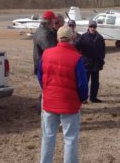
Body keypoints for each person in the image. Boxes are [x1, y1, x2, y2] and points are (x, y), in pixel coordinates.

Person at [37, 25, 88, 163]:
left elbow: (40, 76)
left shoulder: (46, 53)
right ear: (72, 38)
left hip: (50, 102)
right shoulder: (76, 58)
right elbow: (82, 84)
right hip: (69, 104)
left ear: (58, 38)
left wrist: (47, 90)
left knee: (48, 136)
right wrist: (82, 98)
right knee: (70, 138)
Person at [33, 10, 58, 114]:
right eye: (53, 20)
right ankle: (41, 109)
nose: (55, 22)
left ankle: (43, 109)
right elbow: (51, 52)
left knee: (46, 89)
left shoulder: (43, 30)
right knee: (47, 89)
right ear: (49, 21)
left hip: (42, 64)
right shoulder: (44, 35)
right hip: (44, 66)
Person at [75, 20, 106, 103]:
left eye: (94, 27)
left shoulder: (100, 38)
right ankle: (84, 98)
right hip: (86, 64)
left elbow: (103, 50)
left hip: (96, 64)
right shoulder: (83, 37)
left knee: (95, 83)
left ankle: (93, 98)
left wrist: (101, 60)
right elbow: (76, 47)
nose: (92, 28)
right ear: (88, 27)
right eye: (91, 26)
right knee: (85, 82)